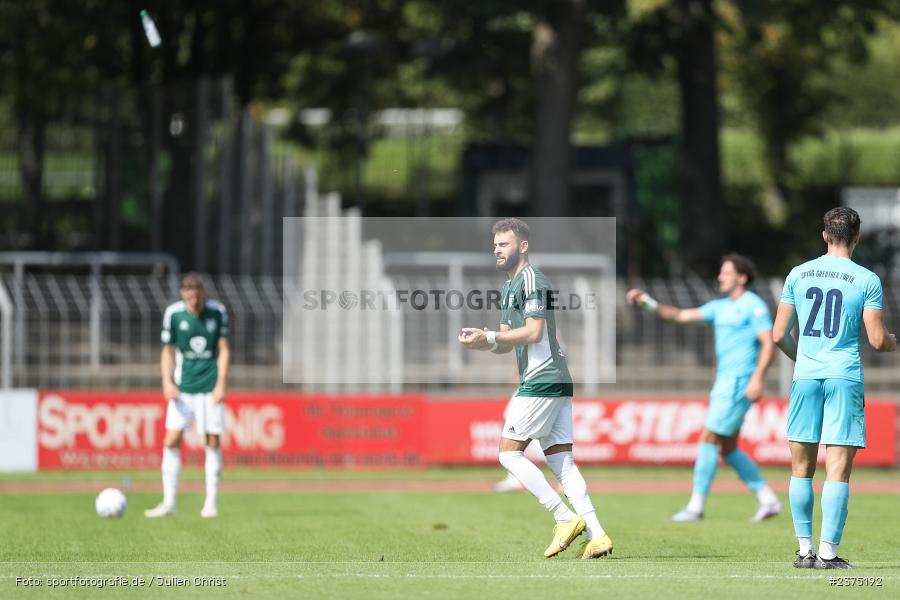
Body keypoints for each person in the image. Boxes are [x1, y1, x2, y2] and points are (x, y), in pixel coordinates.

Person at [459, 218, 613, 559]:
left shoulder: (533, 279)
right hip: (553, 380)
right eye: (495, 244)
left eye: (505, 244)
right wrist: (482, 341)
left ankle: (563, 518)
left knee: (508, 453)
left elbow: (533, 333)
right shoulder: (510, 286)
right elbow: (504, 340)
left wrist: (493, 337)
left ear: (523, 246)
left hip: (543, 380)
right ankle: (598, 535)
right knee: (562, 463)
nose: (497, 250)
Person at [773, 207, 895, 569]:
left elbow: (778, 334)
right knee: (837, 468)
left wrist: (803, 360)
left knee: (801, 468)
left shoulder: (799, 273)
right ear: (856, 237)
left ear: (824, 235)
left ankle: (804, 549)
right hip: (843, 377)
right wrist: (892, 340)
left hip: (806, 377)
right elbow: (875, 340)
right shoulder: (866, 279)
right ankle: (828, 553)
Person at [626, 254, 781, 522]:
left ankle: (696, 507)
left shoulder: (753, 305)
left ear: (741, 278)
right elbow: (679, 315)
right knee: (729, 448)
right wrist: (647, 302)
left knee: (708, 438)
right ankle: (768, 500)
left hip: (739, 382)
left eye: (726, 273)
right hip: (725, 382)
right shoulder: (720, 307)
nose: (720, 277)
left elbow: (768, 342)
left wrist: (758, 378)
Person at [145, 272, 231, 519]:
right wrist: (167, 381)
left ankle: (211, 503)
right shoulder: (174, 314)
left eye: (198, 294)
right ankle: (169, 503)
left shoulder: (217, 312)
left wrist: (221, 385)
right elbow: (167, 351)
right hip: (183, 390)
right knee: (171, 440)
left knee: (212, 441)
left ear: (203, 293)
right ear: (183, 293)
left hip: (210, 388)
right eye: (189, 294)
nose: (194, 299)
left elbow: (223, 350)